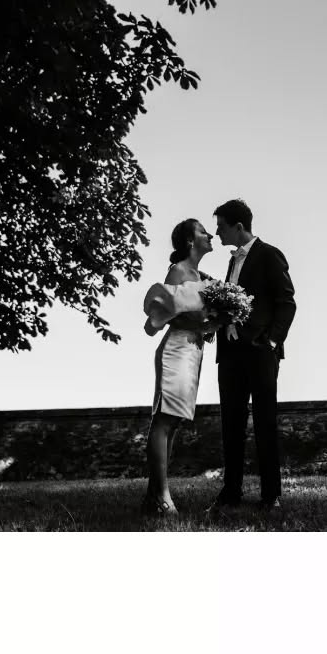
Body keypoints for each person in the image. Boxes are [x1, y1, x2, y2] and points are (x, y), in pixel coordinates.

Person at [209, 199, 296, 514]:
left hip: (260, 353)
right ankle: (231, 491)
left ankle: (271, 495)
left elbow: (287, 302)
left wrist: (271, 342)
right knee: (230, 424)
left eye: (221, 226)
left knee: (265, 423)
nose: (217, 233)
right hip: (230, 354)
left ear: (238, 227)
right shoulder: (232, 263)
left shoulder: (269, 255)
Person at [141, 218, 218, 516]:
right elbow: (171, 313)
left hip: (193, 351)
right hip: (176, 349)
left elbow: (196, 319)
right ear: (189, 240)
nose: (209, 235)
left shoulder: (202, 276)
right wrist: (201, 322)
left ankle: (152, 496)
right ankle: (162, 496)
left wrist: (215, 322)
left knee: (173, 423)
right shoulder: (179, 271)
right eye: (202, 232)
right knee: (163, 420)